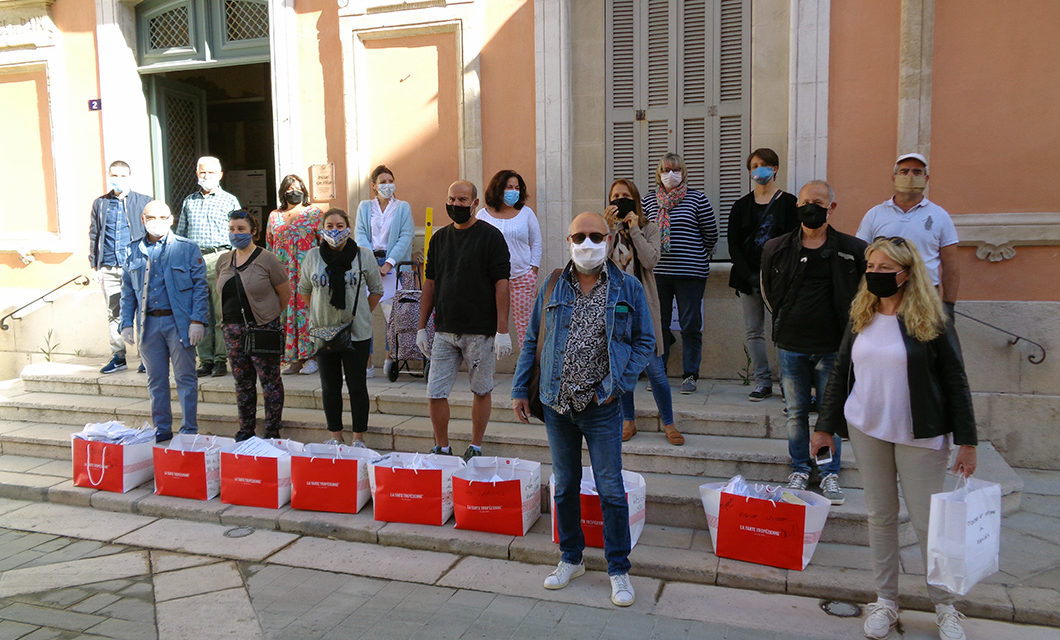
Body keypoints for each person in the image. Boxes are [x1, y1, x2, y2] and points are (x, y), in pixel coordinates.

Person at [812, 237, 977, 640]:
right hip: (869, 429)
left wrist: (968, 441)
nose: (876, 275)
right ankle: (886, 601)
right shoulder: (861, 315)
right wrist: (824, 427)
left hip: (920, 436)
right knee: (881, 517)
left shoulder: (932, 319)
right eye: (872, 267)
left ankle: (946, 606)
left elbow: (956, 380)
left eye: (886, 269)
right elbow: (840, 375)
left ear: (907, 273)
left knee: (927, 523)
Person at [511, 212, 655, 608]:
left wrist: (618, 385)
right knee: (565, 485)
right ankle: (571, 558)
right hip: (557, 404)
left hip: (601, 406)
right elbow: (532, 339)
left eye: (596, 236)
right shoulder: (554, 284)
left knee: (610, 489)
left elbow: (645, 342)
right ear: (568, 239)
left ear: (609, 241)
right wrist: (521, 387)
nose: (587, 243)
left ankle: (618, 569)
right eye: (580, 236)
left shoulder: (627, 288)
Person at [760, 180, 867, 505]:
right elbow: (768, 291)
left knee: (829, 411)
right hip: (791, 343)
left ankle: (829, 472)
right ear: (797, 206)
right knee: (795, 413)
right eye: (806, 201)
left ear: (831, 208)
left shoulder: (853, 250)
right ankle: (801, 467)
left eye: (818, 202)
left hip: (833, 346)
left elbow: (862, 297)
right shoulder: (776, 248)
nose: (811, 207)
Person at [417, 180, 511, 461]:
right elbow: (429, 283)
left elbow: (502, 285)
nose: (456, 205)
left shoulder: (491, 237)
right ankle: (442, 447)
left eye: (462, 200)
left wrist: (502, 331)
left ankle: (477, 445)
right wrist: (422, 327)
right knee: (435, 391)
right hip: (445, 330)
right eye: (452, 199)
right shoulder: (439, 239)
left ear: (475, 203)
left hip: (480, 331)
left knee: (481, 390)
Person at [119, 201, 208, 443]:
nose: (156, 221)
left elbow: (201, 287)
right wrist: (126, 323)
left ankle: (189, 428)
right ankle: (162, 428)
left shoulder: (187, 248)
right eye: (151, 217)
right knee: (156, 381)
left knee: (185, 378)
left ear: (171, 219)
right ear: (142, 220)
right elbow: (127, 291)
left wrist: (198, 320)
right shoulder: (132, 250)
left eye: (162, 217)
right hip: (149, 326)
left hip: (178, 322)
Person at [604, 178, 683, 446]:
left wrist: (634, 229)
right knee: (624, 369)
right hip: (614, 310)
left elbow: (650, 260)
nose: (620, 199)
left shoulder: (649, 227)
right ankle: (629, 421)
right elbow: (595, 262)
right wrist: (608, 229)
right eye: (615, 196)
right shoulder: (604, 230)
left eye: (625, 195)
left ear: (635, 199)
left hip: (642, 308)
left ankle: (669, 423)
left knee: (656, 371)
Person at [299, 209, 383, 445]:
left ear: (348, 228)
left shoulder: (362, 255)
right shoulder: (313, 256)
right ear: (322, 228)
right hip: (324, 332)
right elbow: (305, 290)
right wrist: (319, 311)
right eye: (329, 225)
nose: (334, 230)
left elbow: (377, 290)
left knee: (357, 386)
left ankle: (358, 437)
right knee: (330, 387)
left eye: (339, 225)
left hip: (357, 332)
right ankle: (335, 436)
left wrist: (361, 313)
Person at [641, 153, 718, 394]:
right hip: (658, 273)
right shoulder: (649, 201)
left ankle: (690, 374)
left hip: (690, 272)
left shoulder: (697, 199)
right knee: (659, 324)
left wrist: (693, 255)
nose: (670, 174)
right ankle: (659, 373)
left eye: (675, 169)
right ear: (658, 173)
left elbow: (711, 234)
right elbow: (643, 234)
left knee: (690, 324)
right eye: (665, 169)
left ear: (683, 172)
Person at [726, 148, 799, 401]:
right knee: (753, 331)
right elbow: (733, 243)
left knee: (784, 330)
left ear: (775, 168)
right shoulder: (741, 206)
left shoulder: (790, 204)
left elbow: (794, 240)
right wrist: (747, 274)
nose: (759, 170)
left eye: (764, 165)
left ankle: (789, 383)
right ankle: (762, 381)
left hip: (779, 278)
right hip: (748, 278)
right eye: (754, 165)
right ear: (749, 171)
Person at [857, 153, 960, 318]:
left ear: (926, 178)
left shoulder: (940, 216)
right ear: (894, 177)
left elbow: (951, 266)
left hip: (925, 294)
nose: (910, 176)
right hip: (882, 295)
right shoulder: (875, 214)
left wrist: (948, 305)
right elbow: (861, 256)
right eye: (904, 172)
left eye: (917, 172)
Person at [217, 210, 290, 441]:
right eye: (232, 229)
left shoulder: (268, 259)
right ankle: (246, 429)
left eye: (241, 229)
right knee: (242, 382)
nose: (236, 233)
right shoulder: (223, 260)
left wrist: (269, 318)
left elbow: (284, 294)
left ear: (253, 232)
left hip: (262, 328)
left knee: (269, 381)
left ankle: (271, 430)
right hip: (232, 330)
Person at [175, 156, 242, 378]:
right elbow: (181, 235)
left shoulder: (230, 201)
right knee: (199, 313)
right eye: (203, 172)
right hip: (195, 260)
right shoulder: (189, 201)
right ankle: (205, 359)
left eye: (211, 172)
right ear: (197, 174)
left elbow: (239, 231)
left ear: (220, 175)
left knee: (221, 311)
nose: (206, 176)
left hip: (221, 257)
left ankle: (221, 359)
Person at [89, 160, 151, 374]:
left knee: (141, 311)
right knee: (114, 312)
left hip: (136, 264)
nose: (118, 179)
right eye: (114, 175)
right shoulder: (101, 203)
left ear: (130, 177)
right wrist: (95, 266)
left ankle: (146, 356)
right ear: (109, 176)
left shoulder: (143, 201)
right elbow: (94, 234)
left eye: (123, 176)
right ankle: (118, 356)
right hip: (109, 265)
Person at [354, 164, 414, 376]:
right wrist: (371, 262)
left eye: (390, 181)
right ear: (373, 186)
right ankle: (367, 362)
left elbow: (405, 236)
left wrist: (389, 263)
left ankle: (391, 358)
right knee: (363, 314)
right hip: (369, 263)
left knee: (393, 315)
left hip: (393, 264)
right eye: (383, 182)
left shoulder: (402, 207)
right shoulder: (364, 207)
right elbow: (360, 234)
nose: (388, 185)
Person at [476, 169, 541, 349]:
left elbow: (536, 242)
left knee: (525, 328)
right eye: (509, 187)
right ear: (498, 188)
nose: (514, 191)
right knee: (488, 324)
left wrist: (532, 271)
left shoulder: (526, 213)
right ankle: (484, 366)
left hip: (521, 277)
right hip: (491, 281)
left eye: (517, 187)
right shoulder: (482, 215)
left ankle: (527, 371)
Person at [267, 174, 322, 376]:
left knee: (308, 315)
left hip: (309, 275)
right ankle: (294, 360)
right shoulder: (275, 216)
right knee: (287, 317)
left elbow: (323, 244)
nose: (294, 191)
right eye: (289, 189)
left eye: (298, 188)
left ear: (305, 191)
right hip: (284, 277)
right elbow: (269, 246)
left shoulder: (315, 214)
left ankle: (312, 357)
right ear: (283, 192)